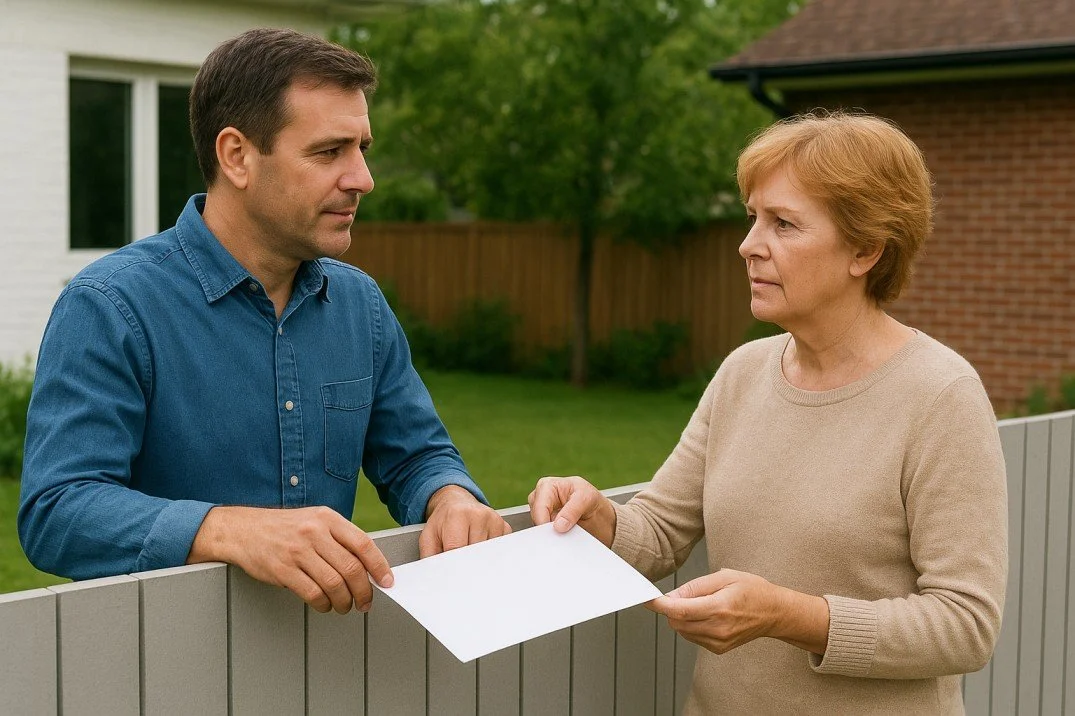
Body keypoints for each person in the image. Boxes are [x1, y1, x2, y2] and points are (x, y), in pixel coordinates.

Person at [529, 112, 1007, 714]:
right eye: (753, 217)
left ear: (865, 249)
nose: (748, 245)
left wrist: (790, 616)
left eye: (783, 224)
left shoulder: (940, 397)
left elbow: (966, 625)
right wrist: (597, 515)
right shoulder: (743, 372)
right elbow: (656, 535)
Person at [19, 28, 510, 615]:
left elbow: (415, 455)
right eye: (329, 152)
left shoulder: (360, 306)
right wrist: (229, 531)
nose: (362, 179)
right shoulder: (111, 306)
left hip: (320, 666)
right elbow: (57, 511)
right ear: (237, 157)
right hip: (158, 675)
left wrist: (449, 498)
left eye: (362, 149)